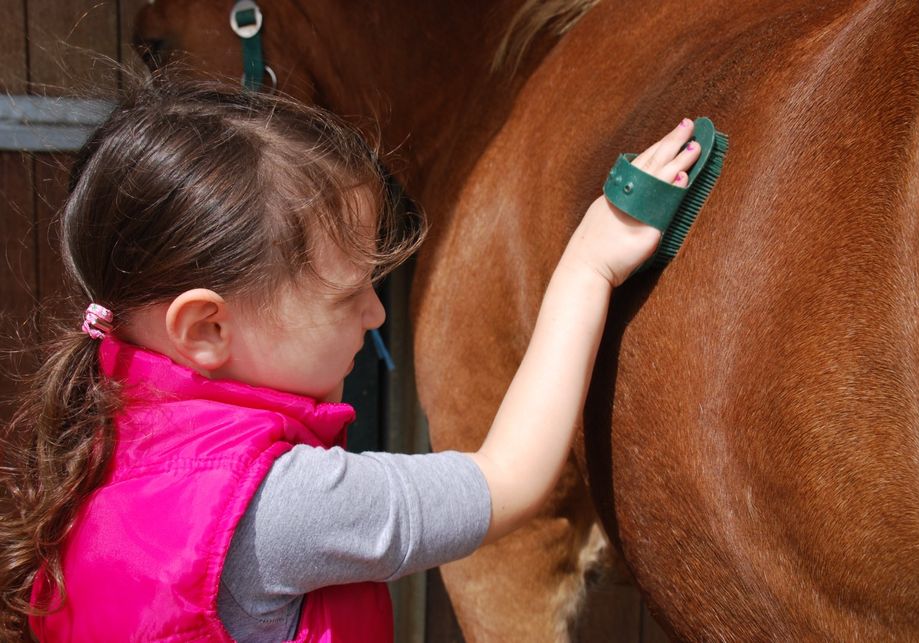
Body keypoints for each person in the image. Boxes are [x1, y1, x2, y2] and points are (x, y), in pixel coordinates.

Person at [0, 80, 701, 641]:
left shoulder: (103, 433)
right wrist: (588, 266)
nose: (376, 311)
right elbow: (507, 480)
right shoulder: (281, 507)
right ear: (207, 326)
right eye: (348, 295)